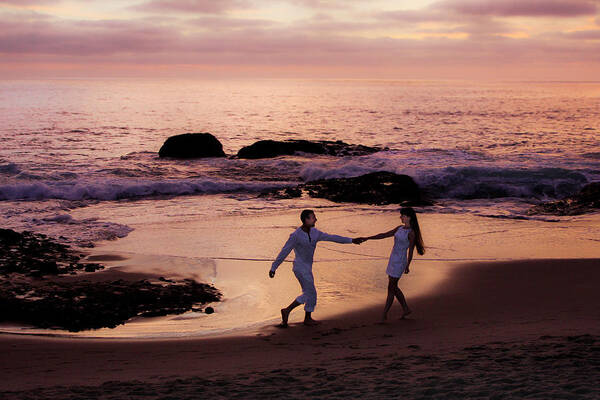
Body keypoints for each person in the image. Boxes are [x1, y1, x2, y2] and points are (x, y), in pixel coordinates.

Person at [269, 209, 363, 327]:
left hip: (308, 268)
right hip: (299, 268)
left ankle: (306, 318)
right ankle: (287, 311)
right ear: (306, 220)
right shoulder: (295, 235)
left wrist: (352, 240)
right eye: (313, 217)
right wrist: (274, 267)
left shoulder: (315, 233)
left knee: (309, 293)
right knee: (310, 293)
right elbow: (285, 251)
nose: (316, 219)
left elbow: (332, 237)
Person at [359, 207, 425, 322]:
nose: (400, 217)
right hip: (393, 259)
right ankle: (405, 309)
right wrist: (368, 238)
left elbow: (410, 251)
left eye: (402, 215)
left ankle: (384, 314)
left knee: (391, 287)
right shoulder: (399, 228)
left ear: (408, 217)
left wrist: (408, 265)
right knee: (393, 287)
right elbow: (384, 234)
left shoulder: (411, 233)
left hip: (400, 261)